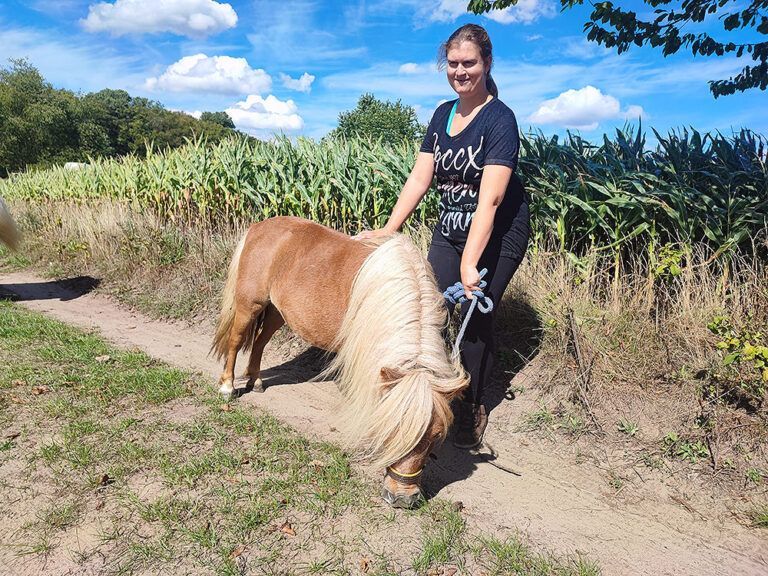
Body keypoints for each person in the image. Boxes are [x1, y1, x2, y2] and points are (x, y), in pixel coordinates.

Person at [356, 23, 530, 449]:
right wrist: (389, 229)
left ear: (487, 63)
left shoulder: (500, 119)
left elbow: (490, 200)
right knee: (431, 312)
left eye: (469, 63)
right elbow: (420, 178)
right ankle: (429, 393)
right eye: (452, 64)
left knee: (474, 318)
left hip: (498, 234)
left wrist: (471, 265)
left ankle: (471, 405)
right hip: (450, 229)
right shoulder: (441, 115)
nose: (460, 71)